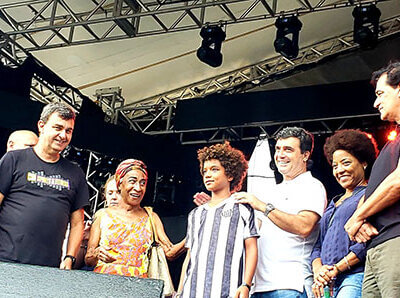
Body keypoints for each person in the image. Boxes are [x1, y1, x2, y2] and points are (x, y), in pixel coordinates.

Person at [234, 126, 327, 297]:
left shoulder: (312, 186)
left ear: (305, 155)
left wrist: (263, 206)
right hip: (258, 286)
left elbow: (304, 226)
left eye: (288, 150)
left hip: (290, 285)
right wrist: (219, 203)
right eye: (278, 149)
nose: (281, 155)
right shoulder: (271, 191)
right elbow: (252, 233)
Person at [0, 102, 89, 269]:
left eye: (68, 131)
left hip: (47, 268)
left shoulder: (75, 173)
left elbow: (78, 223)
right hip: (5, 259)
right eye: (58, 127)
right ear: (41, 126)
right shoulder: (13, 159)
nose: (63, 135)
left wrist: (69, 257)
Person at [344, 61, 400, 297]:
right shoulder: (391, 145)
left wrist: (358, 217)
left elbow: (397, 183)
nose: (376, 102)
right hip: (375, 247)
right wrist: (359, 222)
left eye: (381, 94)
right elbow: (371, 191)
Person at [178, 142, 259, 298]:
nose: (208, 174)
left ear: (230, 174)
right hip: (191, 292)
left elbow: (251, 248)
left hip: (228, 292)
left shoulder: (242, 208)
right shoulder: (195, 214)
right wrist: (180, 291)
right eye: (204, 171)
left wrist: (246, 284)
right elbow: (190, 256)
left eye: (214, 170)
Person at [310, 129, 378, 298]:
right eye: (335, 166)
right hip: (327, 283)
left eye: (346, 163)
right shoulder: (334, 202)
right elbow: (318, 246)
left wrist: (337, 268)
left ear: (363, 162)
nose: (339, 170)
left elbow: (366, 242)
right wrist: (319, 271)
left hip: (354, 276)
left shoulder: (370, 195)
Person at [85, 159, 176, 277]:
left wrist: (193, 236)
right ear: (119, 184)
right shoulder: (102, 215)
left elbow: (169, 253)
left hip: (138, 287)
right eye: (132, 181)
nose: (138, 188)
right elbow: (88, 259)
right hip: (104, 285)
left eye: (143, 183)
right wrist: (96, 254)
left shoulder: (151, 217)